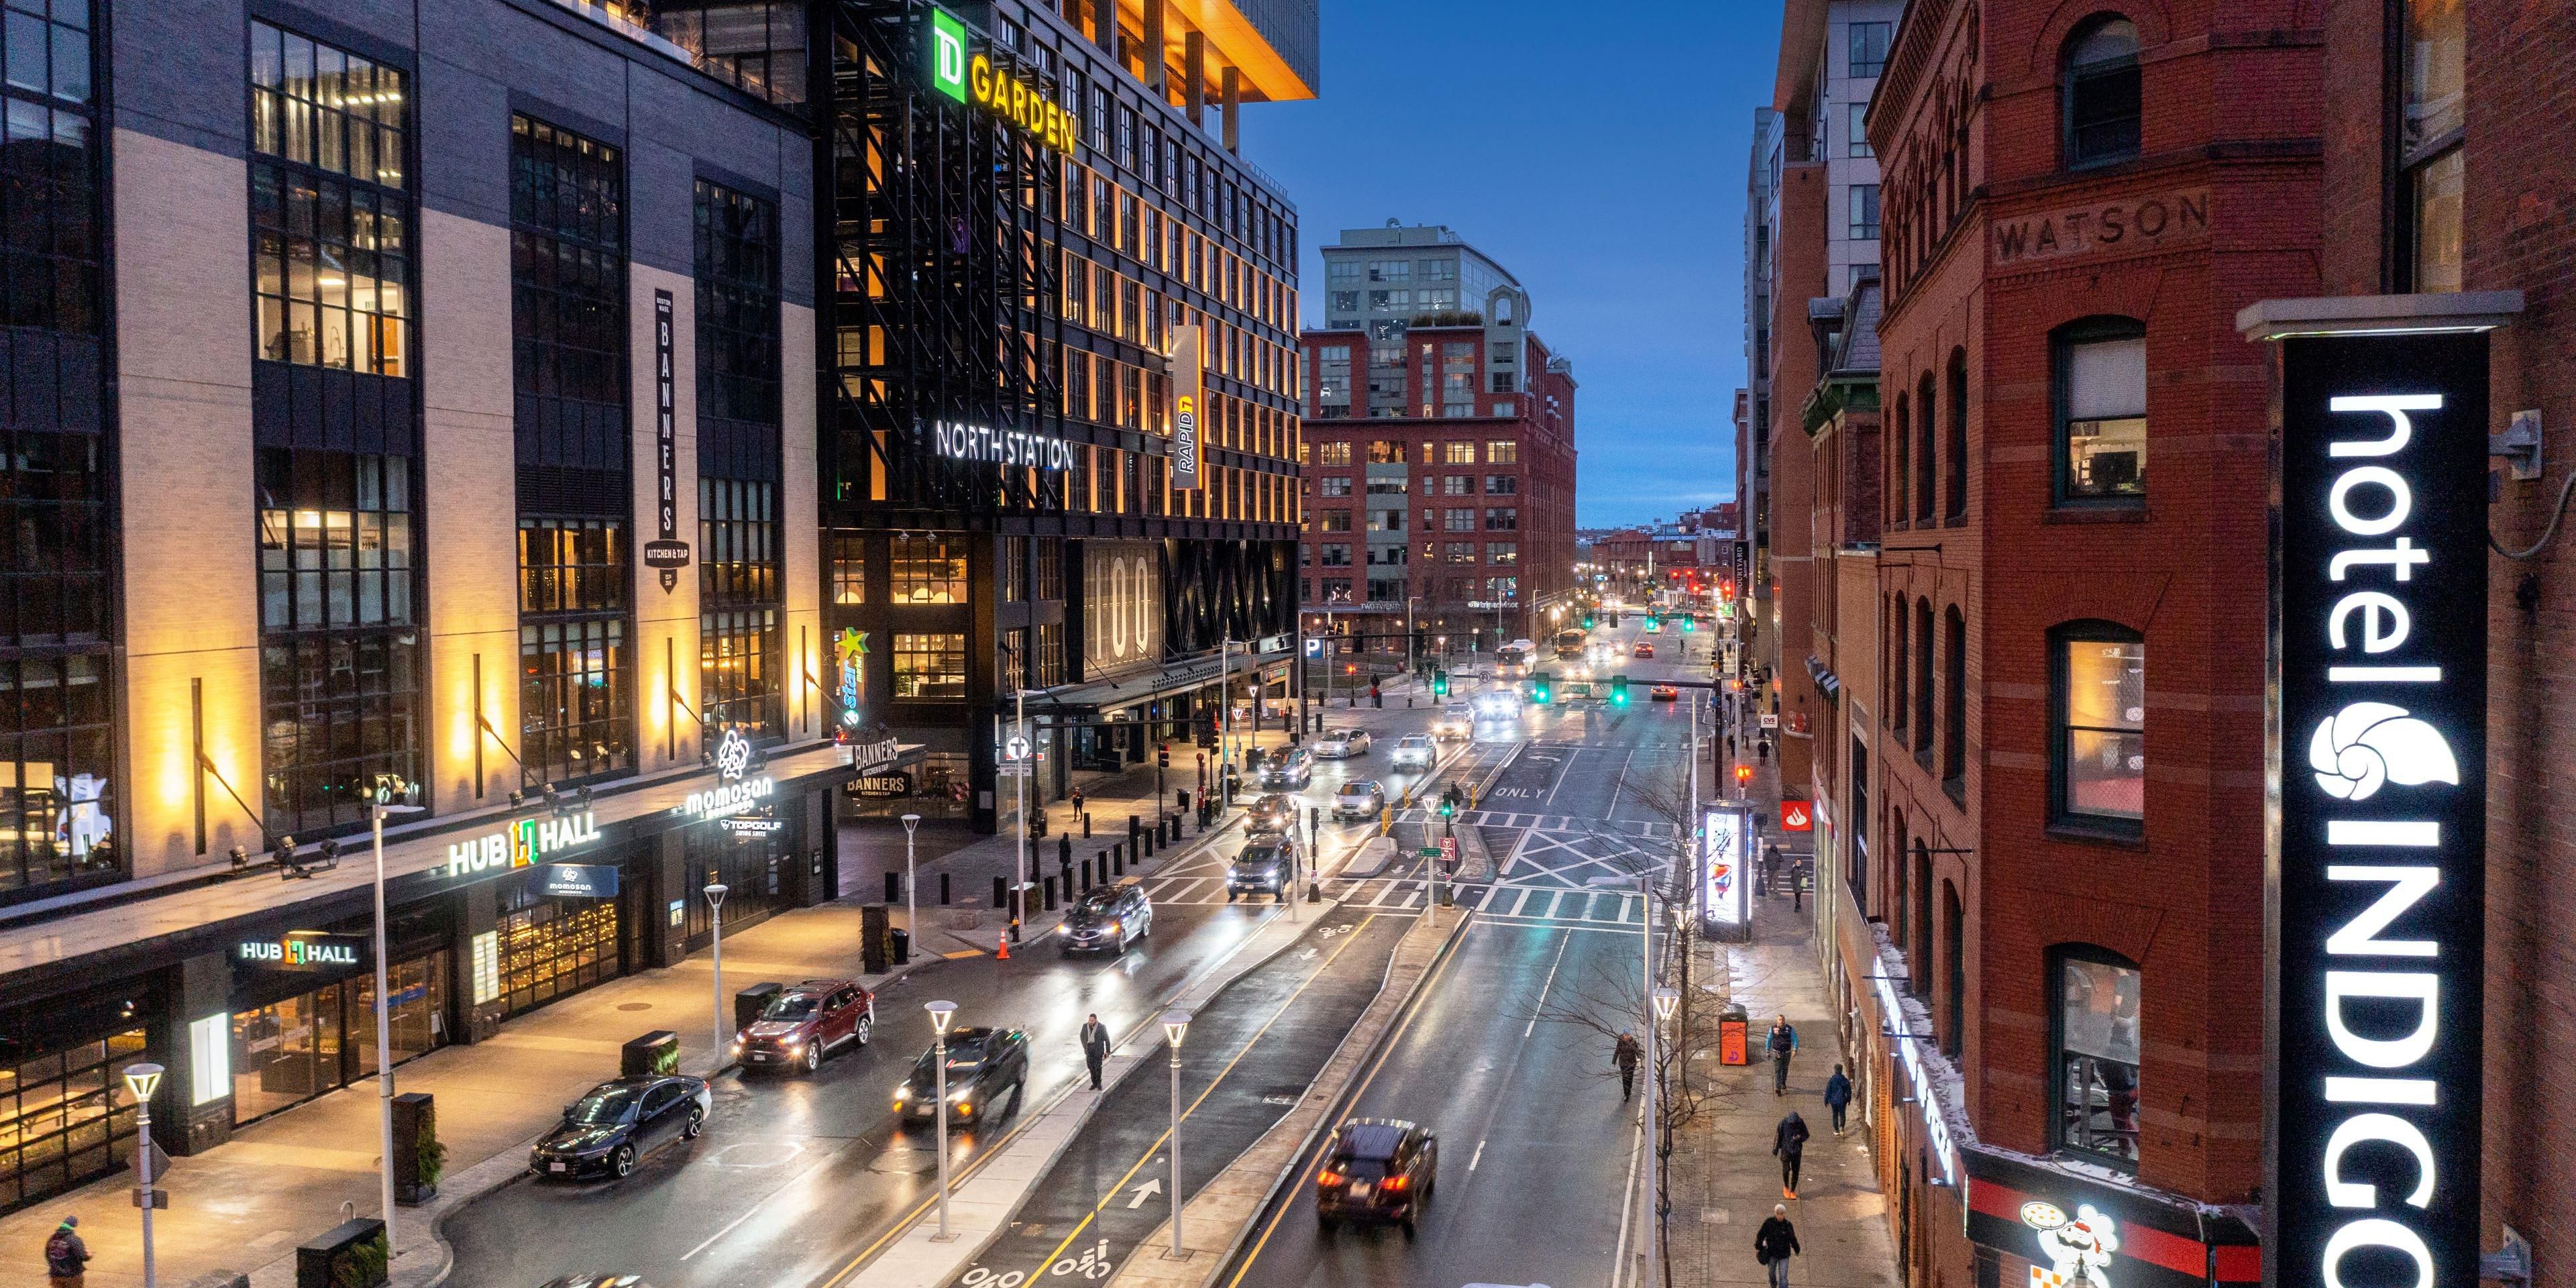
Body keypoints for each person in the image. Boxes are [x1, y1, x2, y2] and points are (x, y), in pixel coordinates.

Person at [1754, 1203, 1801, 1288]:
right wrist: (1758, 1247)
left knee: (1783, 1277)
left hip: (1784, 1255)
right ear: (1775, 1213)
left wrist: (1797, 1249)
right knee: (1771, 1273)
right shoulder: (1769, 1223)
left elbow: (1793, 1238)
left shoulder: (1788, 1225)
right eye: (1778, 1214)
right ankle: (1773, 1284)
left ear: (1784, 1214)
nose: (1780, 1216)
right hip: (1772, 1254)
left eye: (1782, 1214)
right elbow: (1761, 1234)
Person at [1773, 1108, 1810, 1198]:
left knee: (1795, 1171)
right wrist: (1776, 1149)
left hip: (1797, 1151)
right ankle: (1786, 1187)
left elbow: (1806, 1135)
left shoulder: (1801, 1123)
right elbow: (1778, 1136)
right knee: (1786, 1171)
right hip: (1786, 1151)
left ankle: (1793, 1190)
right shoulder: (1783, 1123)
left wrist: (1800, 1138)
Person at [44, 1215, 88, 1288]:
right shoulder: (74, 1239)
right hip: (72, 1276)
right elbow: (82, 1256)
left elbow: (47, 1255)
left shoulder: (52, 1238)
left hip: (56, 1275)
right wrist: (88, 1255)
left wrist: (55, 1267)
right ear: (73, 1227)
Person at [1079, 1013, 1112, 1091]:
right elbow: (1082, 1036)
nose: (1091, 1022)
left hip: (1098, 1050)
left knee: (1098, 1067)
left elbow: (1107, 1039)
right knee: (1091, 1067)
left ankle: (1098, 1083)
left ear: (1096, 1020)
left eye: (1092, 1020)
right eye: (1090, 1020)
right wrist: (1085, 1047)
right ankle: (1094, 1083)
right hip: (1089, 1051)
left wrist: (1107, 1051)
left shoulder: (1102, 1027)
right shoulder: (1085, 1026)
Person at [1768, 1014, 1797, 1095]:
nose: (1781, 1021)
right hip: (1777, 1053)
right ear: (1777, 1021)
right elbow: (1769, 1039)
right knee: (1778, 1070)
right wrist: (1767, 1050)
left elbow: (1795, 1039)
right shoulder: (1773, 1029)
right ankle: (1778, 1088)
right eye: (1780, 1020)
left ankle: (1783, 1082)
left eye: (1783, 1019)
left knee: (1785, 1069)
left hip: (1787, 1053)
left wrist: (1795, 1049)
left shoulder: (1790, 1029)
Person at [1824, 1063, 1853, 1135]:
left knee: (1835, 1114)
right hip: (1842, 1100)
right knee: (1842, 1114)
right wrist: (1848, 1099)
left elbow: (1828, 1091)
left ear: (1835, 1070)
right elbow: (1848, 1091)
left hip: (1833, 1101)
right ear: (1841, 1070)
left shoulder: (1832, 1080)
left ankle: (1836, 1129)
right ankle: (1842, 1127)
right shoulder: (1845, 1080)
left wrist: (1826, 1100)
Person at [1613, 1030, 1642, 1099]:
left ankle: (1629, 1088)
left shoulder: (1633, 1042)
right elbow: (1617, 1051)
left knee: (1630, 1077)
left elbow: (1637, 1050)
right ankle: (1626, 1093)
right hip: (1623, 1063)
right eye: (1625, 1035)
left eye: (1628, 1035)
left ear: (1629, 1035)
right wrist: (1614, 1061)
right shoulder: (1620, 1042)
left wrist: (1639, 1058)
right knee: (1625, 1078)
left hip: (1631, 1063)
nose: (1626, 1036)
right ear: (1623, 1035)